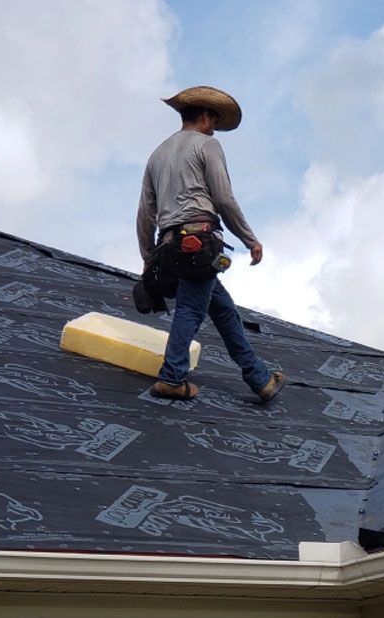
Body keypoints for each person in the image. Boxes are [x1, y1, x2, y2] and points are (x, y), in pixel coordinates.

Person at [136, 85, 285, 403]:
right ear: (205, 116)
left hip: (169, 247)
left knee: (223, 310)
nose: (215, 128)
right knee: (190, 309)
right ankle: (172, 377)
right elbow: (223, 198)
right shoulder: (208, 145)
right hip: (199, 243)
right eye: (214, 121)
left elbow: (145, 213)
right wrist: (250, 239)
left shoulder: (157, 154)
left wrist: (148, 257)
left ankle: (259, 378)